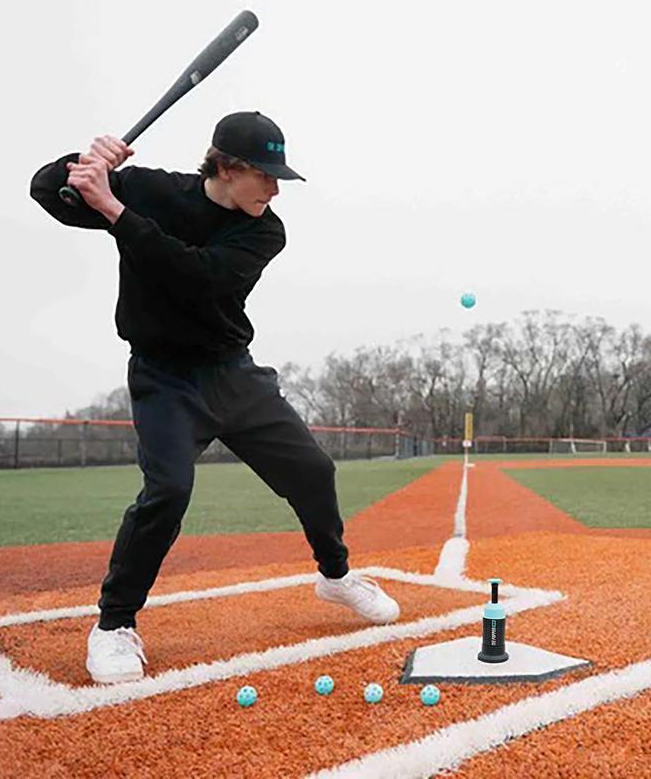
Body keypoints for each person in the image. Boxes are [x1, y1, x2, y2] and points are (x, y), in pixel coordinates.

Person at [30, 111, 400, 685]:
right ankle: (114, 625)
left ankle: (336, 576)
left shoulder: (265, 231)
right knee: (167, 491)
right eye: (265, 175)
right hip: (164, 379)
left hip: (233, 374)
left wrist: (114, 210)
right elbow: (48, 192)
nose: (275, 189)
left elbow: (197, 279)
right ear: (226, 168)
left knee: (313, 471)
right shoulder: (153, 191)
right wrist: (83, 165)